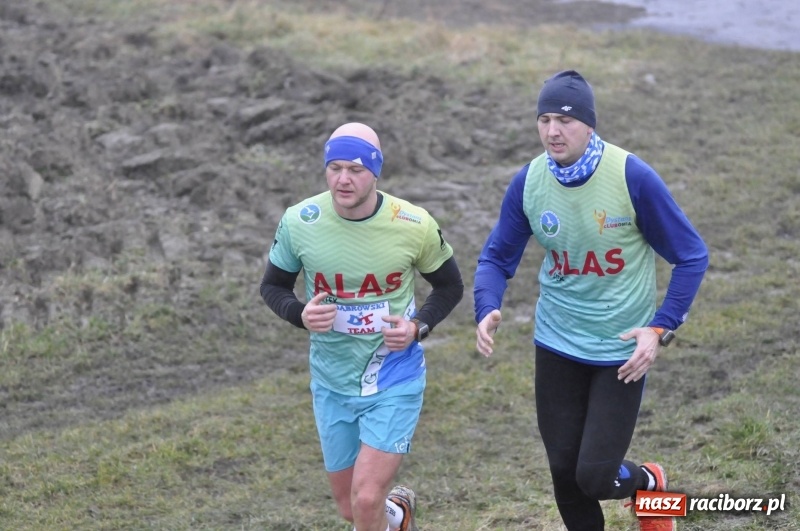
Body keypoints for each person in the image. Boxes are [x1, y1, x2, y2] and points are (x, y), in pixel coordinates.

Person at [473, 70, 708, 531]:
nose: (553, 131)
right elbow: (496, 256)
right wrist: (488, 306)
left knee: (596, 476)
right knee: (564, 474)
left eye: (565, 119)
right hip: (557, 342)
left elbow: (692, 255)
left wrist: (660, 328)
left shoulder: (632, 177)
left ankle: (651, 484)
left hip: (620, 350)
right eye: (544, 119)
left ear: (590, 124)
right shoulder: (530, 181)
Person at [260, 122, 464, 531]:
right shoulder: (301, 221)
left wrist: (416, 327)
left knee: (367, 497)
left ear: (376, 172)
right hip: (332, 380)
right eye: (334, 168)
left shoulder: (413, 223)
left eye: (355, 169)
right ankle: (399, 515)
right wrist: (298, 314)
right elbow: (273, 286)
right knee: (351, 508)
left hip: (394, 377)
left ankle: (387, 510)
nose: (343, 179)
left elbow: (450, 287)